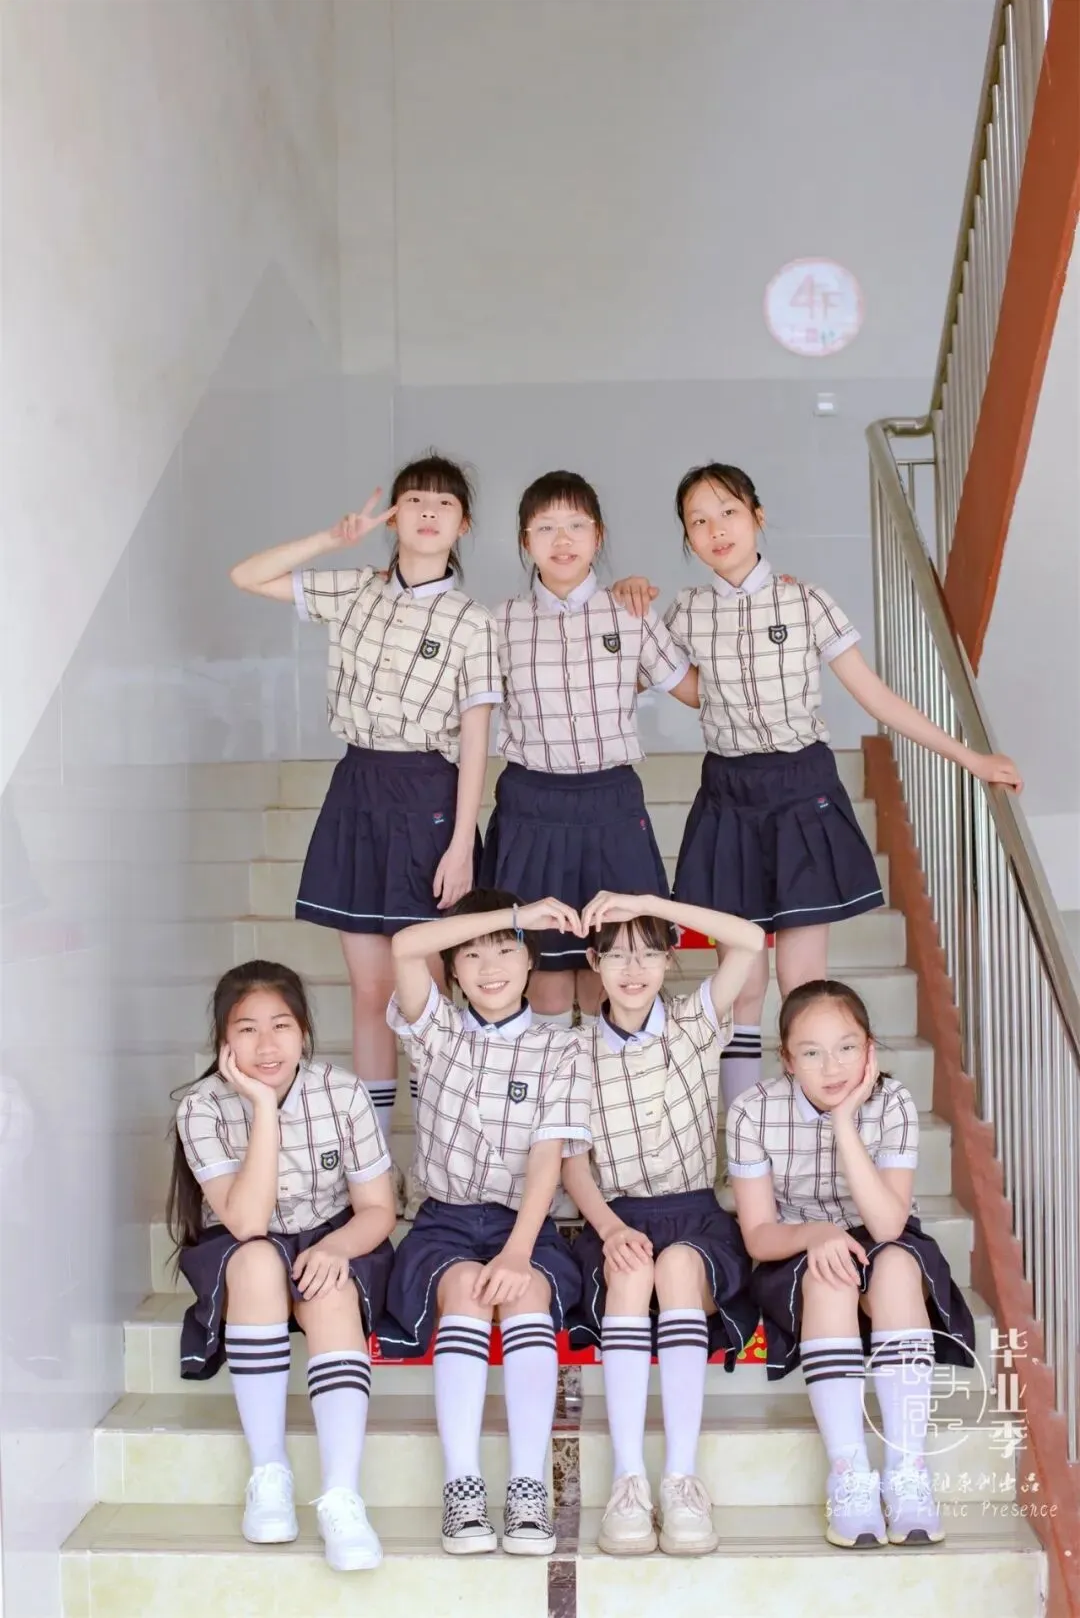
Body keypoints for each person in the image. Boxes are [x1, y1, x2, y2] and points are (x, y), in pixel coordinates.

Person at [613, 463, 1022, 1108]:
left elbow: (876, 697)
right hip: (728, 797)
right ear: (687, 537)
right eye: (699, 521)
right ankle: (745, 1134)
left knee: (802, 982)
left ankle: (807, 1131)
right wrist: (627, 604)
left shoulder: (806, 601)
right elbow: (683, 690)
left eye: (729, 512)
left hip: (802, 791)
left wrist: (970, 759)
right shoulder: (687, 611)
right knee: (741, 984)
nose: (716, 530)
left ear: (757, 516)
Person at [229, 455, 501, 1185]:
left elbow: (477, 737)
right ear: (393, 516)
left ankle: (446, 1160)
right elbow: (246, 576)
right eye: (414, 500)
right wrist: (331, 539)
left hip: (430, 792)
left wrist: (461, 843)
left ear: (463, 525)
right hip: (358, 785)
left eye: (444, 504)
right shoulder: (355, 589)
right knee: (371, 992)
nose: (427, 513)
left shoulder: (473, 622)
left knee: (432, 996)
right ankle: (376, 1165)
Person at [376, 890, 591, 1557]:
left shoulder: (562, 1048)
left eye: (505, 951)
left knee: (524, 1293)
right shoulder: (437, 1031)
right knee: (468, 1291)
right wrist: (513, 918)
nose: (490, 966)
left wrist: (519, 1251)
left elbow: (548, 1160)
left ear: (530, 965)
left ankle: (528, 1485)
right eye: (471, 955)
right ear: (453, 970)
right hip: (443, 1224)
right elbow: (405, 946)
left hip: (525, 1224)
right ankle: (462, 1486)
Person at [726, 979, 976, 1548]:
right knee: (830, 1277)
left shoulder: (893, 1102)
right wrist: (817, 1234)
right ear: (787, 1059)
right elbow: (760, 1236)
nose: (832, 1066)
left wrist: (844, 1122)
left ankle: (907, 1469)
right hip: (798, 1242)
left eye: (846, 1047)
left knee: (896, 1268)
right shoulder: (752, 1111)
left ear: (870, 1048)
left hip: (884, 1235)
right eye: (811, 1052)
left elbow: (887, 1226)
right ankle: (850, 1475)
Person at [168, 961, 396, 1571]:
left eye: (281, 1026)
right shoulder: (202, 1107)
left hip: (330, 1235)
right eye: (247, 1029)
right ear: (223, 1040)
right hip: (246, 1243)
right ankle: (268, 1472)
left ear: (304, 1031)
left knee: (330, 1289)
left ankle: (342, 1496)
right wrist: (264, 1108)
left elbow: (379, 1210)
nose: (266, 1045)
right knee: (258, 1263)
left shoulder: (342, 1091)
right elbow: (246, 1221)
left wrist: (337, 1248)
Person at [565, 890, 765, 1557]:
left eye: (649, 953)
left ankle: (680, 1479)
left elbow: (749, 939)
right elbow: (571, 1163)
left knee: (678, 1265)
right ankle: (628, 1481)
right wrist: (608, 1229)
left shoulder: (695, 1021)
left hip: (695, 1215)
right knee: (630, 1271)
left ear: (670, 958)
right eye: (617, 954)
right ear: (592, 962)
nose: (633, 969)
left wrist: (651, 902)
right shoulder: (572, 1050)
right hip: (616, 1218)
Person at [482, 471, 697, 1029]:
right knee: (545, 975)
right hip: (531, 805)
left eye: (576, 525)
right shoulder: (498, 622)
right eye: (546, 527)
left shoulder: (630, 611)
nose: (563, 540)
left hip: (611, 804)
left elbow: (693, 689)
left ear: (598, 536)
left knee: (615, 970)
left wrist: (763, 613)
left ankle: (609, 1085)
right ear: (525, 540)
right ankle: (553, 1088)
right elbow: (469, 713)